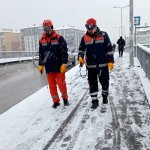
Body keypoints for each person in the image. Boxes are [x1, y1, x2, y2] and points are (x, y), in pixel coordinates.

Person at [78, 18, 114, 109]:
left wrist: (110, 62)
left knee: (105, 82)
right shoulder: (85, 37)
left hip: (103, 65)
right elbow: (81, 49)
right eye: (88, 28)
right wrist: (80, 57)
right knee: (92, 84)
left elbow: (109, 49)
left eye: (91, 28)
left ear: (95, 26)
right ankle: (94, 101)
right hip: (91, 66)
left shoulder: (104, 35)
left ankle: (105, 96)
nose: (90, 30)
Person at [38, 19, 69, 108]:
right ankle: (56, 101)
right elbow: (41, 53)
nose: (47, 30)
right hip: (49, 67)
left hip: (59, 67)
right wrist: (40, 64)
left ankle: (65, 99)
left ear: (51, 27)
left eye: (48, 28)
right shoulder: (42, 40)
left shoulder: (59, 38)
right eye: (45, 29)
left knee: (61, 84)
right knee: (52, 86)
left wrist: (64, 63)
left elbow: (64, 51)